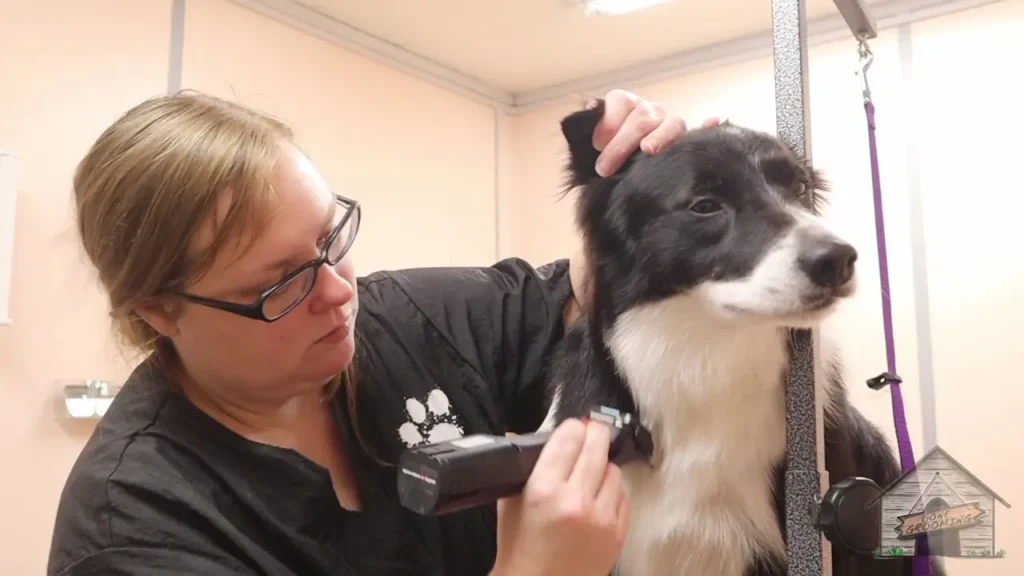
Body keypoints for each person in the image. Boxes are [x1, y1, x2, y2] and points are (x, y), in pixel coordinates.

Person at [46, 88, 718, 575]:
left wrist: (653, 186)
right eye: (279, 284)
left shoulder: (408, 319)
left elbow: (588, 294)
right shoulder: (135, 530)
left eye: (330, 238)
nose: (341, 294)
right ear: (158, 310)